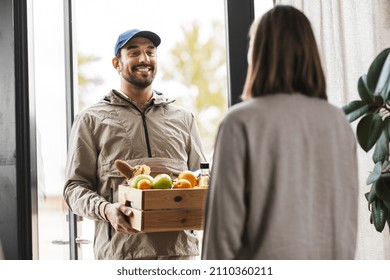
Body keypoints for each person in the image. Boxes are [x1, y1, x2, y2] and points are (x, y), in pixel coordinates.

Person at [201, 5, 359, 260]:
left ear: (259, 53)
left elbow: (221, 240)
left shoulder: (240, 123)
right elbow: (345, 227)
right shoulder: (338, 122)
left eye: (252, 44)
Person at [63, 29, 206, 260]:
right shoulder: (90, 119)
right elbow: (74, 189)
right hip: (120, 256)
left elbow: (202, 179)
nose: (144, 59)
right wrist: (107, 209)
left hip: (180, 255)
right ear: (116, 63)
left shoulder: (184, 118)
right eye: (134, 52)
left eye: (151, 52)